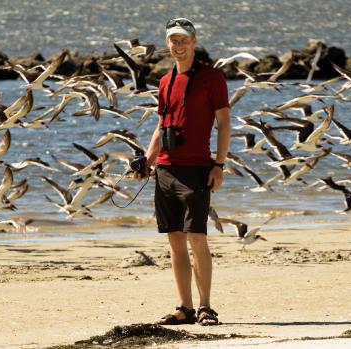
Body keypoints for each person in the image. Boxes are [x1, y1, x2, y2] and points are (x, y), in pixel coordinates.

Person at [143, 17, 230, 326]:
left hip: (197, 169)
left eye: (183, 40)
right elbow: (161, 126)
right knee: (175, 242)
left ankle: (206, 307)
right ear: (168, 44)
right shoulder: (165, 81)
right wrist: (147, 159)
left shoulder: (212, 78)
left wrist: (219, 164)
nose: (178, 45)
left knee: (197, 238)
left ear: (194, 42)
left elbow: (224, 124)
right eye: (173, 41)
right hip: (165, 170)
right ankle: (185, 308)